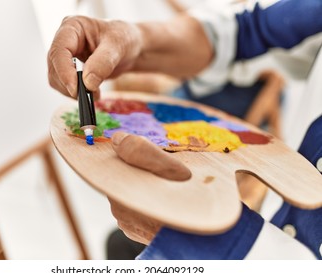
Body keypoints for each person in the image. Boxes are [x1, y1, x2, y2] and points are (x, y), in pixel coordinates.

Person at [47, 0, 322, 259]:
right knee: (118, 245)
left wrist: (204, 243)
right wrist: (135, 40)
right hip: (269, 215)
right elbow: (251, 29)